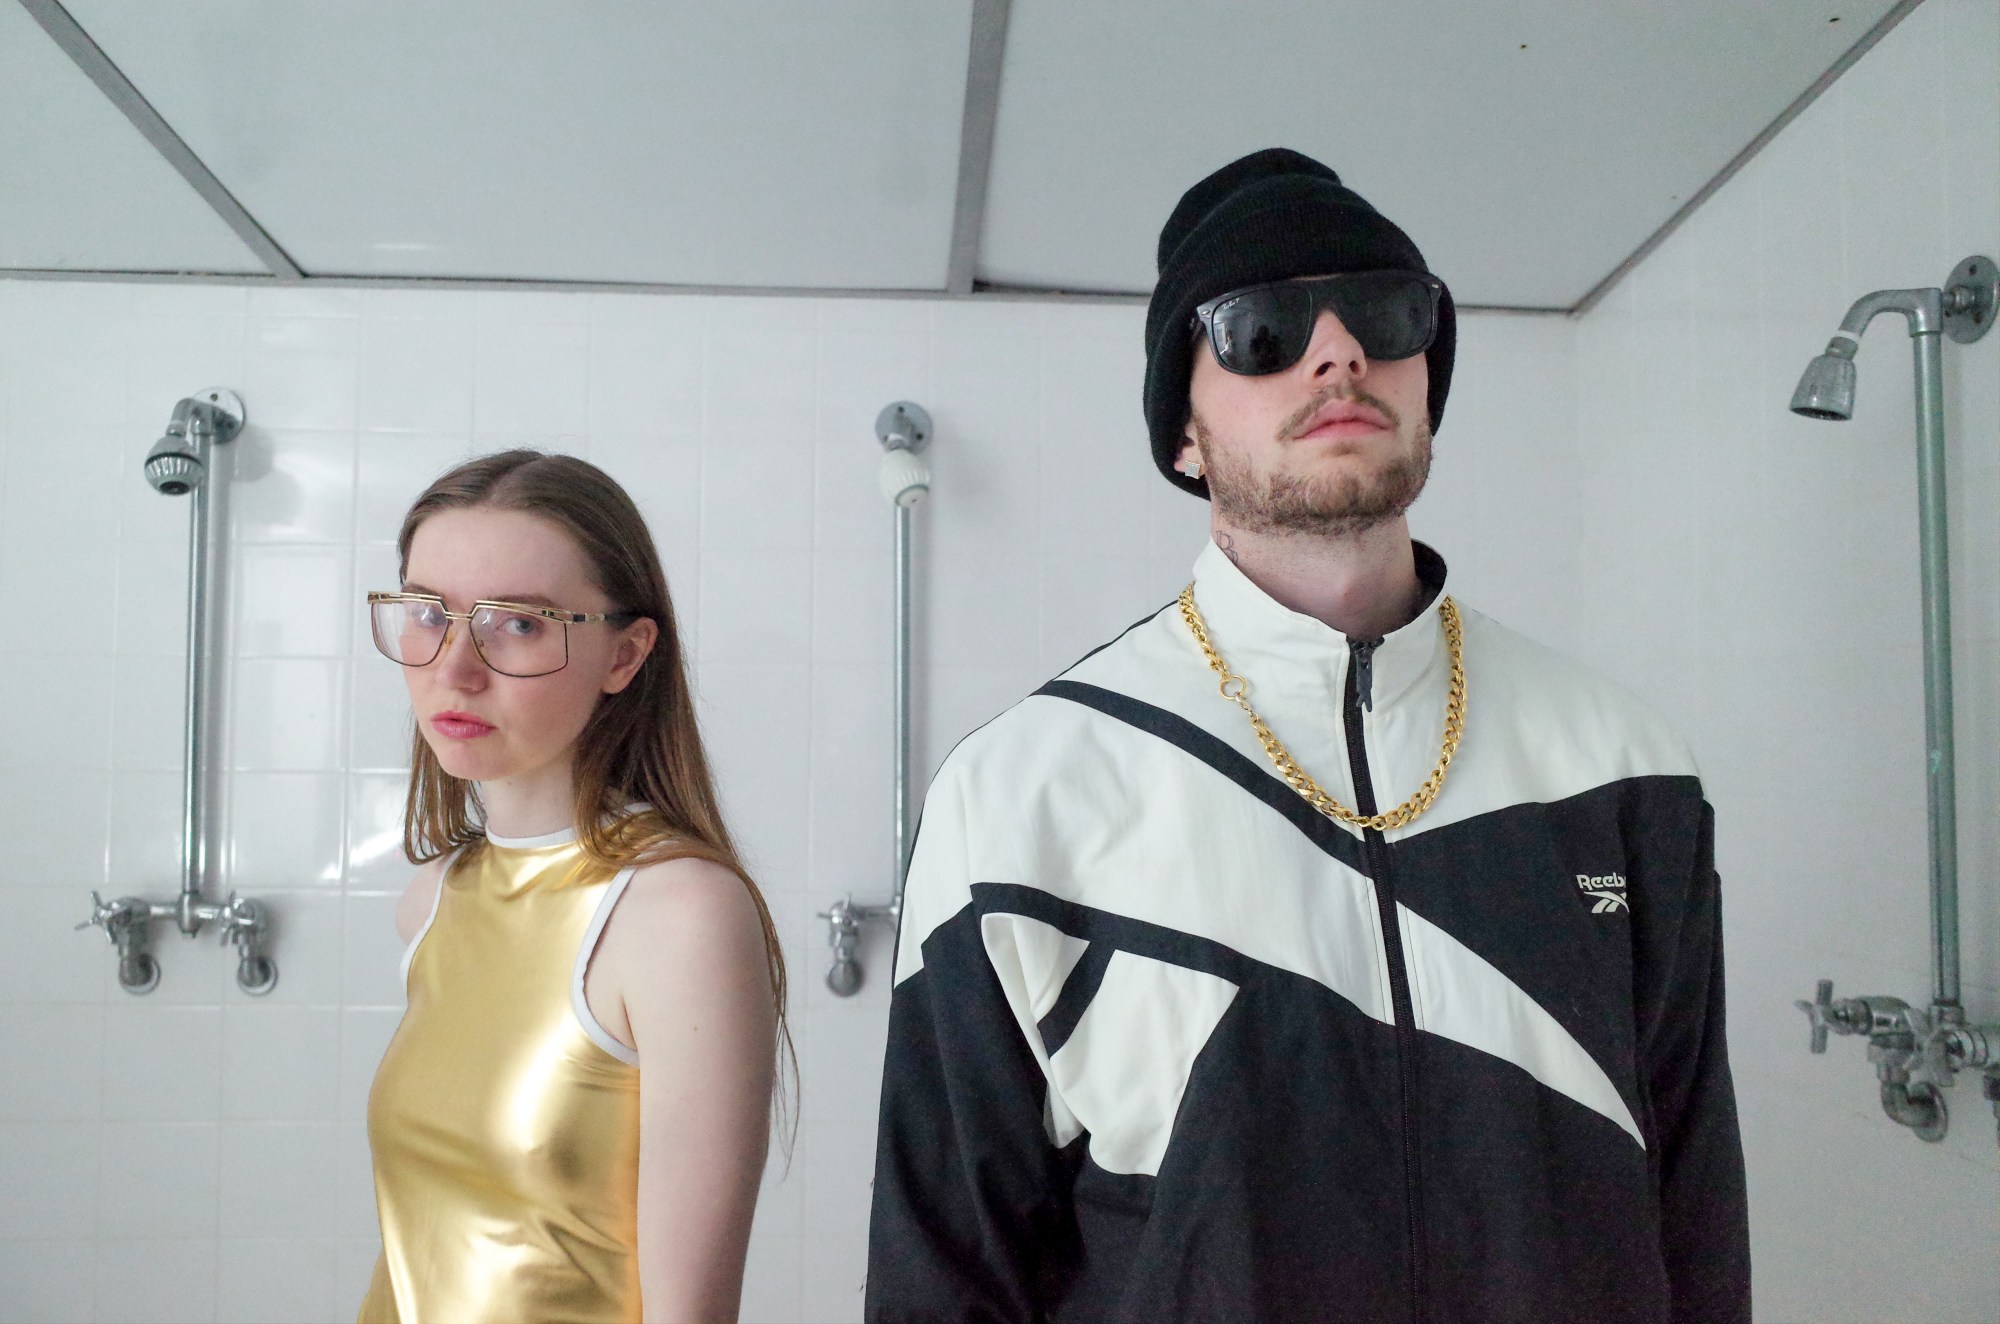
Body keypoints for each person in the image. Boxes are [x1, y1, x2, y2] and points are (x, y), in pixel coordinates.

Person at [865, 149, 1749, 1323]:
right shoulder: (1023, 795)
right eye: (1260, 330)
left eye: (1384, 315)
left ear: (1427, 376)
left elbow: (1693, 1214)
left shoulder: (1620, 763)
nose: (1337, 353)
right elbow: (944, 1273)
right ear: (1181, 432)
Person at [357, 450, 789, 1324]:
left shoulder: (680, 915)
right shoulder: (434, 898)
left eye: (518, 623)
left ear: (624, 655)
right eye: (428, 612)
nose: (455, 666)